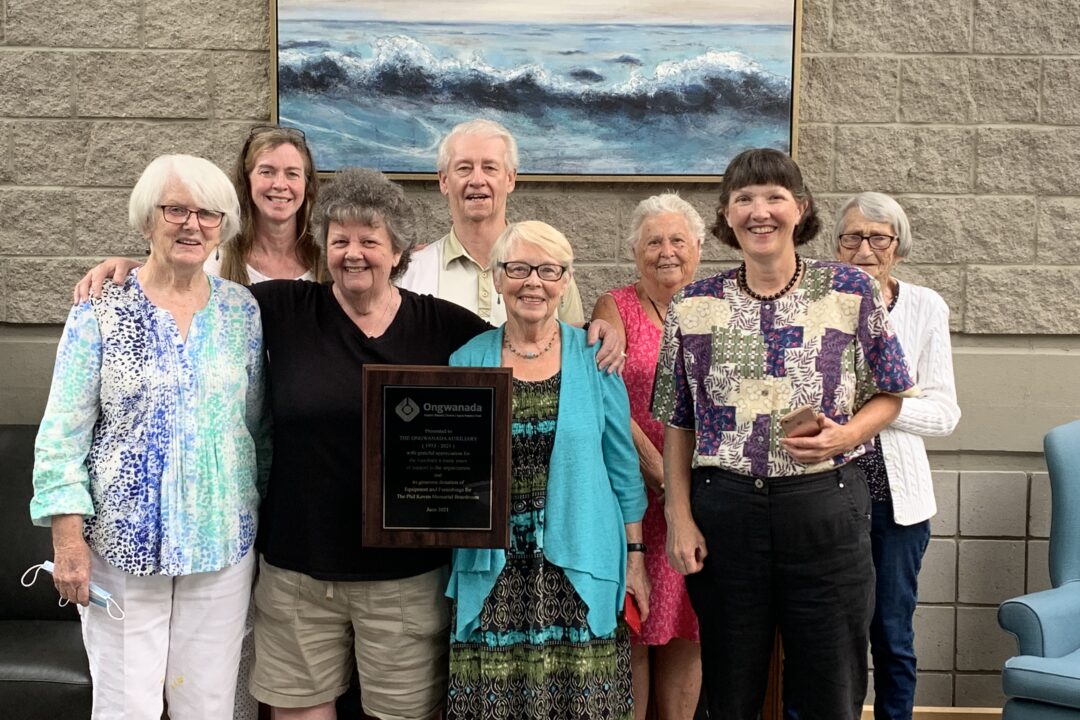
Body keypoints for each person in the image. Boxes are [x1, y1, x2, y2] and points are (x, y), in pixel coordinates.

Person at [652, 148, 917, 720]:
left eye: (774, 196)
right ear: (726, 215)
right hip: (726, 516)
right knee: (728, 690)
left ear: (800, 208)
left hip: (825, 511)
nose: (759, 211)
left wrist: (845, 436)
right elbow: (679, 419)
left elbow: (891, 392)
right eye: (744, 199)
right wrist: (680, 515)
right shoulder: (694, 305)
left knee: (832, 687)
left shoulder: (851, 291)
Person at [30, 154, 270, 720]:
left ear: (223, 227)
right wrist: (68, 543)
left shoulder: (241, 311)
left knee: (207, 705)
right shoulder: (101, 307)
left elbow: (258, 430)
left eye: (208, 214)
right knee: (125, 707)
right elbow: (62, 433)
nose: (192, 225)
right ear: (147, 221)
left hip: (221, 546)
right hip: (120, 548)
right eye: (176, 210)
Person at [446, 220, 649, 720]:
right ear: (497, 278)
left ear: (565, 280)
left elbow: (623, 468)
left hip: (580, 560)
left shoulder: (595, 355)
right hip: (494, 570)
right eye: (517, 268)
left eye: (547, 270)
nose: (532, 281)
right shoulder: (465, 360)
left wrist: (636, 557)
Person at [834, 192, 960, 720]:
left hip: (898, 504)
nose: (864, 248)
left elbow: (945, 413)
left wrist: (877, 409)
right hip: (828, 497)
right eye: (852, 237)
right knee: (830, 641)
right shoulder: (817, 303)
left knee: (891, 634)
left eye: (878, 238)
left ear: (897, 248)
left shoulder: (926, 306)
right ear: (837, 247)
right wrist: (891, 399)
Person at [591, 194, 705, 720]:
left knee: (688, 625)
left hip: (702, 495)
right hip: (634, 494)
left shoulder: (715, 305)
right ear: (635, 251)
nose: (666, 252)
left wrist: (686, 487)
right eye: (653, 241)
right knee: (633, 626)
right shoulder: (614, 307)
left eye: (677, 240)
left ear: (698, 248)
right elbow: (607, 401)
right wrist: (659, 473)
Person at [397, 118, 585, 324]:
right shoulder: (412, 271)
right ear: (444, 181)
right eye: (464, 168)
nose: (477, 180)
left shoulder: (551, 270)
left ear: (510, 179)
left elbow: (573, 347)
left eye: (489, 168)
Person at [209, 125, 326, 283]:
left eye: (292, 174)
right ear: (247, 180)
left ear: (307, 184)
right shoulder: (217, 261)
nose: (279, 184)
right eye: (267, 172)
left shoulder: (327, 260)